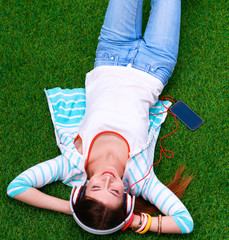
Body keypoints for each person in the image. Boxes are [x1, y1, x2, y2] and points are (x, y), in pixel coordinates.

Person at [7, 0, 194, 235]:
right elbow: (184, 223)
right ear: (126, 200)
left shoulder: (70, 165)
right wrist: (132, 221)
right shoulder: (140, 179)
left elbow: (16, 187)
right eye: (115, 191)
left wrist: (70, 208)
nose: (107, 180)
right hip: (156, 64)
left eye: (96, 188)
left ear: (81, 190)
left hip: (111, 52)